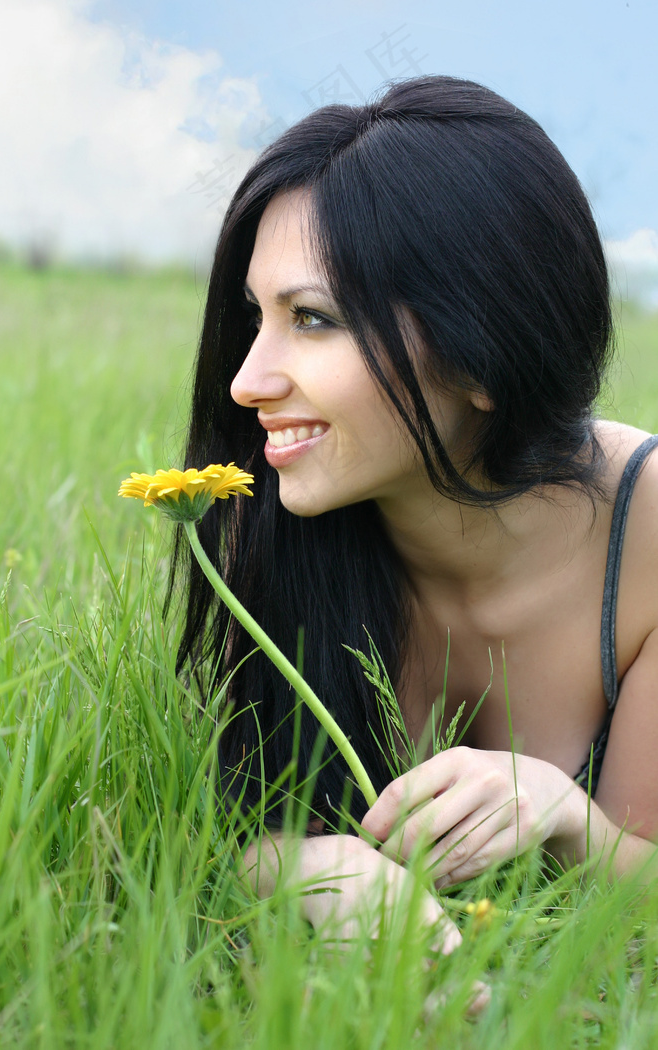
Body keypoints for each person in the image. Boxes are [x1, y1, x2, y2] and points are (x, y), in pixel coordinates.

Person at [169, 75, 658, 957]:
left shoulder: (652, 531)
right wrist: (317, 872)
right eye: (255, 317)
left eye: (313, 319)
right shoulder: (272, 518)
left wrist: (564, 817)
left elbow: (644, 899)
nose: (246, 382)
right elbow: (222, 836)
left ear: (484, 355)